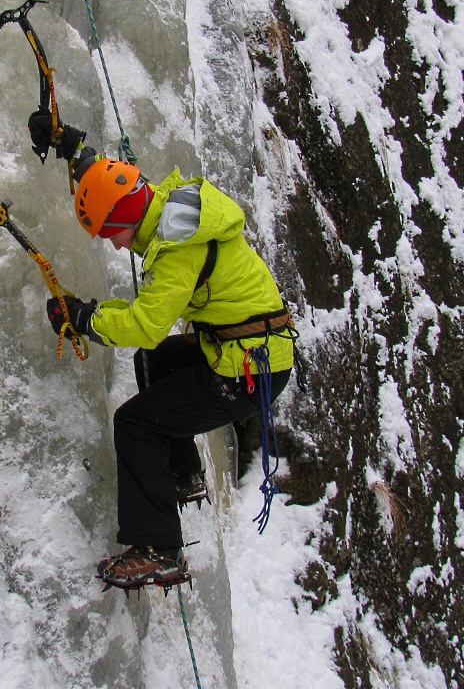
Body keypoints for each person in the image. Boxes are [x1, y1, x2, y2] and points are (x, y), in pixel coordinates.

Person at [28, 113, 296, 591]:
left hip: (248, 369)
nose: (112, 245)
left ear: (126, 219)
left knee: (136, 423)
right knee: (154, 363)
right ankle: (181, 474)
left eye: (111, 234)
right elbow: (123, 188)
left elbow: (146, 325)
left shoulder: (177, 251)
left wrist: (85, 317)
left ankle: (158, 550)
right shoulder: (168, 206)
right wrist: (77, 153)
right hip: (252, 350)